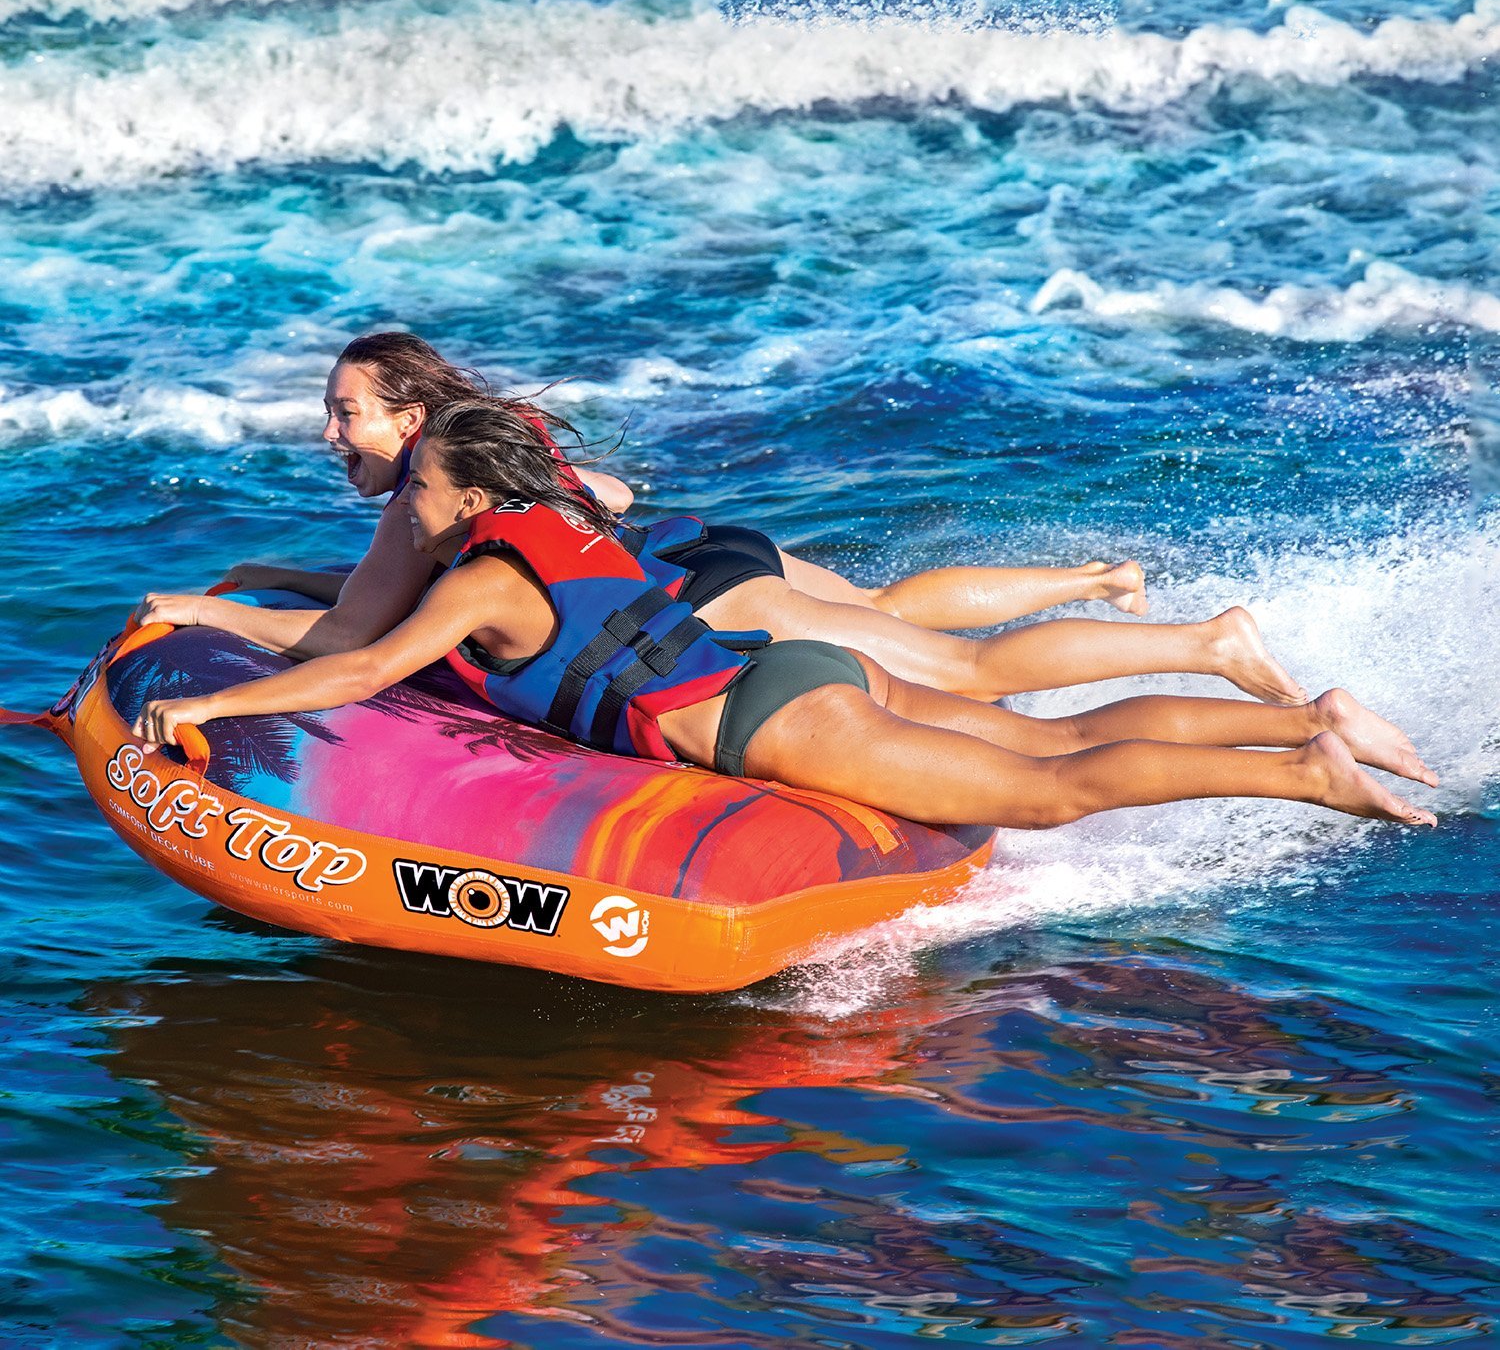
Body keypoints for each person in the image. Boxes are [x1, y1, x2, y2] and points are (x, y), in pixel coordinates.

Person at [134, 400, 1437, 832]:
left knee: (1054, 788)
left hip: (773, 723)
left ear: (472, 497)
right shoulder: (562, 526)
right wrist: (272, 585)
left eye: (421, 483)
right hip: (785, 666)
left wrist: (211, 697)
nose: (407, 501)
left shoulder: (480, 578)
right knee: (1051, 734)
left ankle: (1308, 773)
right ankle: (1304, 716)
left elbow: (354, 671)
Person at [134, 334, 1306, 706]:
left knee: (964, 672)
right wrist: (284, 572)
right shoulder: (498, 434)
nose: (330, 432)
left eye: (346, 413)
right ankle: (1100, 580)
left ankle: (1207, 646)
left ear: (409, 419)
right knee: (889, 607)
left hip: (697, 602)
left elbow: (355, 641)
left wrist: (208, 610)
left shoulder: (422, 499)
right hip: (702, 545)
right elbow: (611, 500)